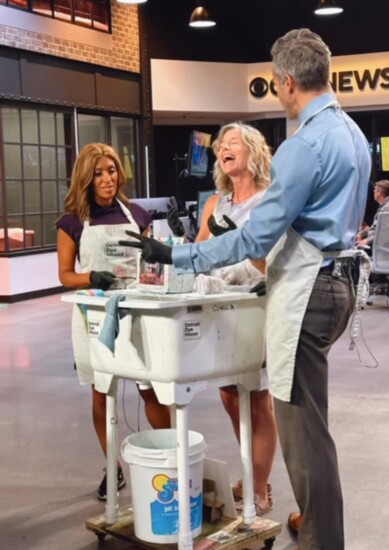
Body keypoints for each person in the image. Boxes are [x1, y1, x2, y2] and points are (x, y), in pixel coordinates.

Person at [119, 29, 372, 550]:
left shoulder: (306, 143)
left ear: (284, 82)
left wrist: (176, 253)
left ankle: (325, 539)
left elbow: (257, 238)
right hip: (340, 284)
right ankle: (320, 524)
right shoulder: (351, 133)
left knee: (303, 434)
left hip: (309, 290)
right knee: (312, 427)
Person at [56, 143, 171, 501]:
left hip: (138, 311)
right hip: (95, 314)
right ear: (86, 178)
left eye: (112, 171)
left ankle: (168, 457)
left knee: (148, 387)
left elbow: (153, 265)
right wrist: (92, 278)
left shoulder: (137, 214)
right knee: (101, 392)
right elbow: (64, 275)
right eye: (100, 173)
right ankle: (114, 467)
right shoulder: (72, 221)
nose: (108, 179)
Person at [196, 122, 277, 515]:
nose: (224, 149)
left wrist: (241, 270)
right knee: (230, 398)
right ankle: (253, 473)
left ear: (254, 152)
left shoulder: (269, 201)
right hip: (219, 313)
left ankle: (259, 490)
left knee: (258, 400)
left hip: (255, 309)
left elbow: (272, 258)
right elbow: (198, 251)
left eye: (234, 143)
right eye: (221, 146)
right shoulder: (215, 204)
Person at [356, 179, 389, 252]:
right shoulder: (384, 207)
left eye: (375, 190)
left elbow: (384, 233)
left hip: (381, 248)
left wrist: (366, 241)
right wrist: (362, 234)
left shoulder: (387, 209)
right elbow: (376, 229)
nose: (374, 192)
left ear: (379, 192)